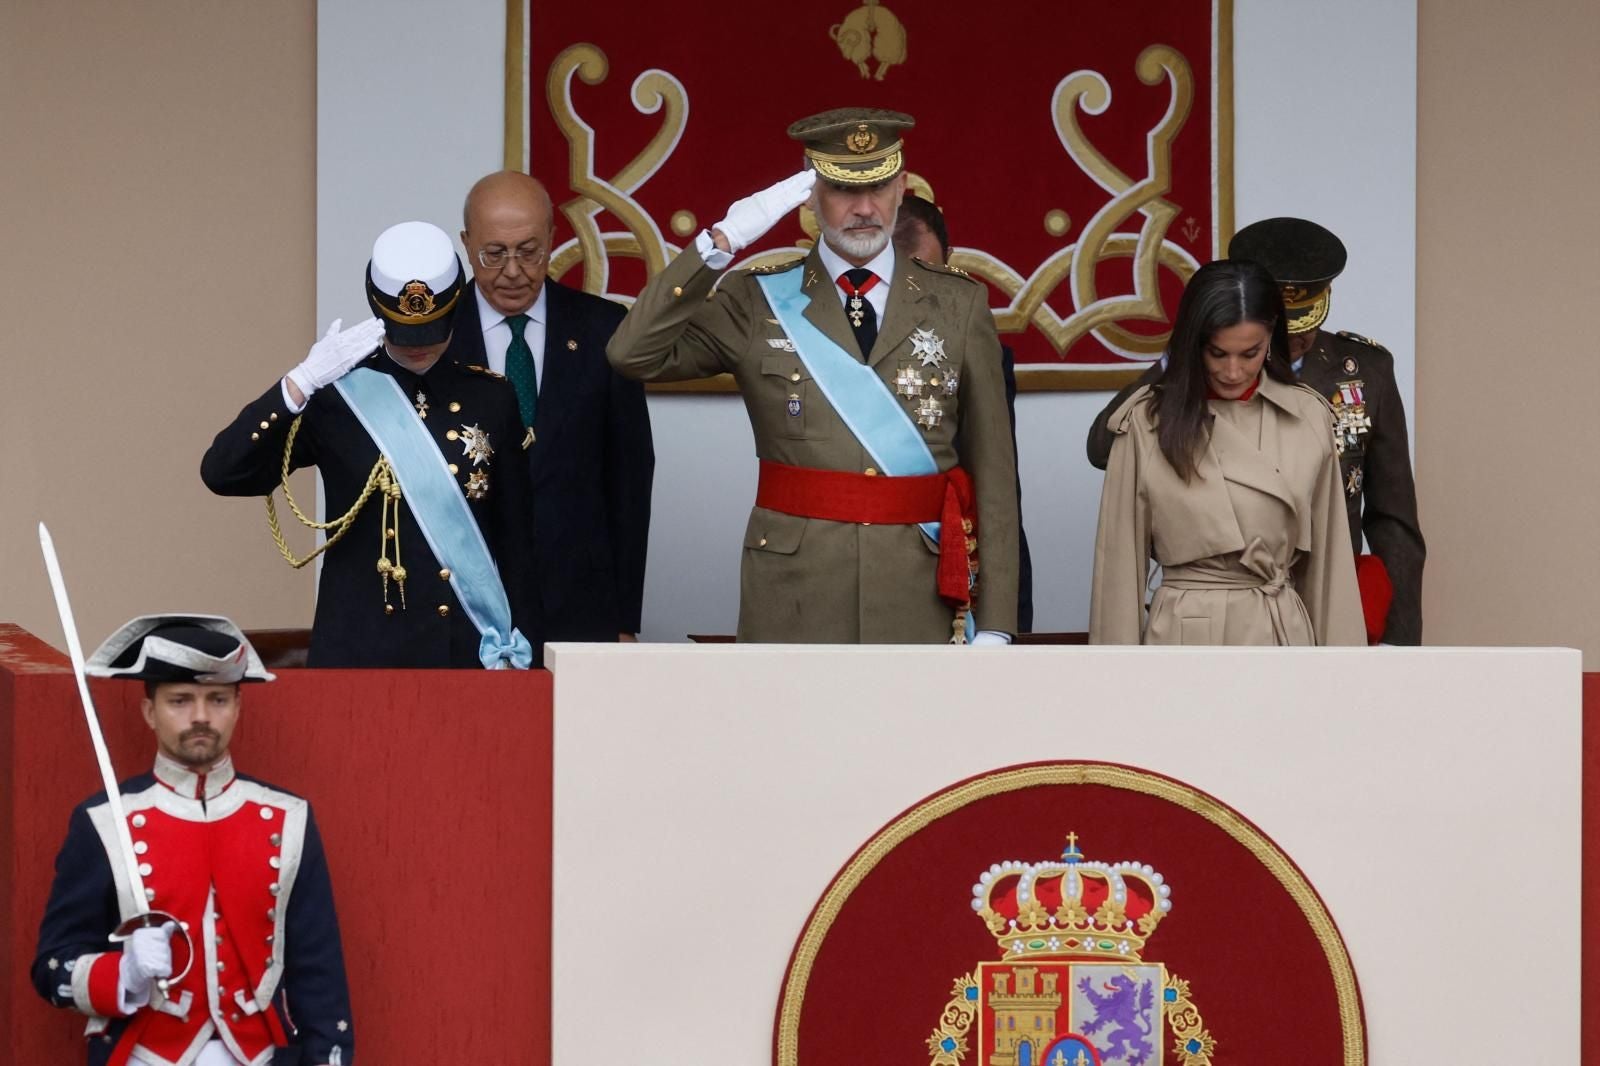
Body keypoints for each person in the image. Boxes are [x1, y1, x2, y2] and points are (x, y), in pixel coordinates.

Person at [606, 108, 1019, 643]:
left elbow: (995, 475)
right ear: (809, 194)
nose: (865, 209)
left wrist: (999, 623)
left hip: (918, 595)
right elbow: (631, 354)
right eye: (844, 189)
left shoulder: (958, 304)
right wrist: (721, 243)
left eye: (878, 187)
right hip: (794, 595)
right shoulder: (755, 300)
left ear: (902, 185)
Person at [201, 221, 538, 668]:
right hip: (363, 649)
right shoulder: (337, 394)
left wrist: (524, 655)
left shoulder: (492, 396)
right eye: (402, 330)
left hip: (465, 648)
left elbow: (516, 539)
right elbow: (223, 472)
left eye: (432, 329)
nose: (418, 347)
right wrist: (298, 384)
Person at [32, 615, 353, 1065]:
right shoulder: (104, 820)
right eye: (180, 700)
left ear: (238, 706)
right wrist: (121, 972)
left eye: (217, 699)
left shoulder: (289, 818)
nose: (201, 716)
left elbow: (318, 974)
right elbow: (52, 968)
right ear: (150, 712)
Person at [1085, 217, 1424, 643]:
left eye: (1251, 352)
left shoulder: (1317, 408)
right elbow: (1119, 565)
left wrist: (1370, 659)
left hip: (1280, 625)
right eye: (1217, 352)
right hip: (1186, 633)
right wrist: (1111, 682)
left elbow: (1348, 555)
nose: (1233, 370)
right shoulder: (1148, 418)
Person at [450, 171, 655, 643]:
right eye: (494, 253)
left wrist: (624, 618)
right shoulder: (434, 341)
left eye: (529, 250)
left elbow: (629, 481)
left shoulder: (603, 329)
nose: (514, 270)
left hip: (579, 606)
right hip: (462, 608)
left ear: (552, 240)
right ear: (466, 244)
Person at [893, 193, 1035, 632]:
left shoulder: (982, 351)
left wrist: (1001, 616)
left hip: (964, 549)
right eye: (910, 275)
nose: (927, 289)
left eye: (935, 271)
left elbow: (997, 485)